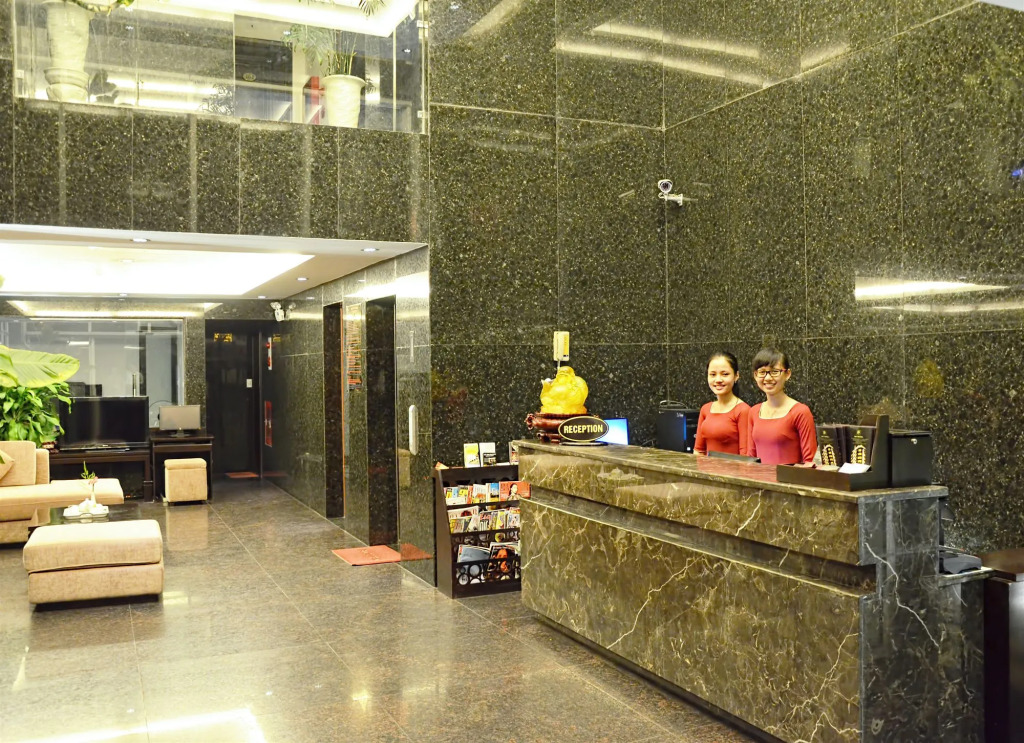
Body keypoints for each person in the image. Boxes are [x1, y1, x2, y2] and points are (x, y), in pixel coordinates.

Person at [746, 348, 817, 465]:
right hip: (758, 476)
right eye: (762, 372)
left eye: (774, 372)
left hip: (788, 477)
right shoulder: (754, 412)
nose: (768, 378)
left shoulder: (800, 412)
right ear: (755, 375)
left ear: (787, 374)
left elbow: (809, 462)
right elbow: (750, 458)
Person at [694, 351, 750, 456]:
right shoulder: (705, 409)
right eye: (713, 374)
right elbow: (699, 451)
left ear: (736, 376)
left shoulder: (743, 410)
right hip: (706, 467)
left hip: (733, 467)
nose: (718, 380)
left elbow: (745, 455)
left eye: (725, 374)